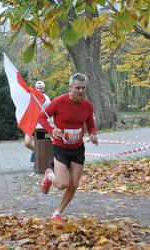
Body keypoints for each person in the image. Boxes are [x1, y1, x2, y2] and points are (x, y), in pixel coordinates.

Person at [38, 73, 98, 222]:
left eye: (83, 88)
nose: (81, 91)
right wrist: (52, 130)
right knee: (63, 183)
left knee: (74, 184)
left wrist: (93, 134)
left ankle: (57, 213)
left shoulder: (87, 105)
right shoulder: (59, 102)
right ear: (70, 87)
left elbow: (90, 124)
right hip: (60, 148)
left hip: (78, 148)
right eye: (77, 88)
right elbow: (41, 117)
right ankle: (50, 176)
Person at [24, 80, 51, 162]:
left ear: (43, 89)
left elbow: (50, 113)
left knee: (42, 144)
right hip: (31, 124)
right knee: (27, 143)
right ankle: (35, 152)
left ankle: (42, 161)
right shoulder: (31, 97)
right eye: (37, 88)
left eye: (40, 88)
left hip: (41, 126)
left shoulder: (46, 100)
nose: (39, 89)